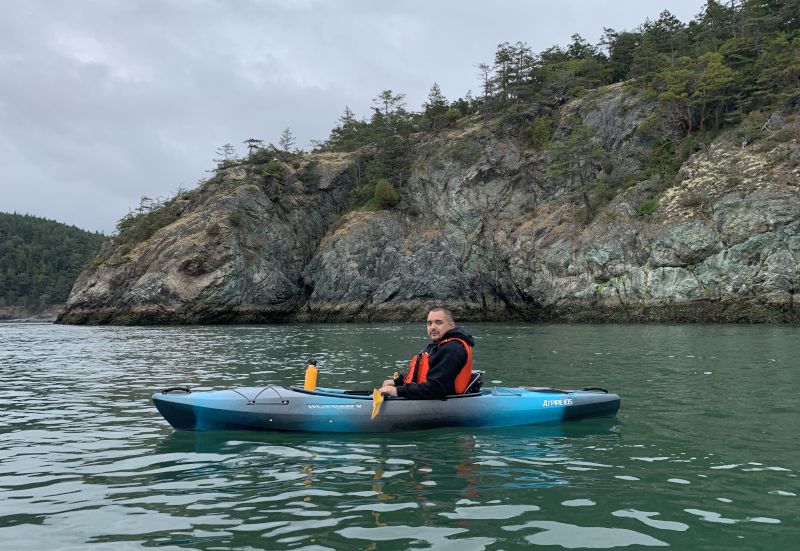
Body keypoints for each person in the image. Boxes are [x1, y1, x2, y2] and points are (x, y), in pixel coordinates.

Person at [379, 307, 476, 399]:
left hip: (444, 401)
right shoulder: (436, 346)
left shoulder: (452, 349)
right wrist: (396, 382)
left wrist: (397, 391)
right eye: (429, 323)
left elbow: (436, 388)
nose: (432, 327)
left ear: (451, 326)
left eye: (438, 323)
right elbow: (423, 372)